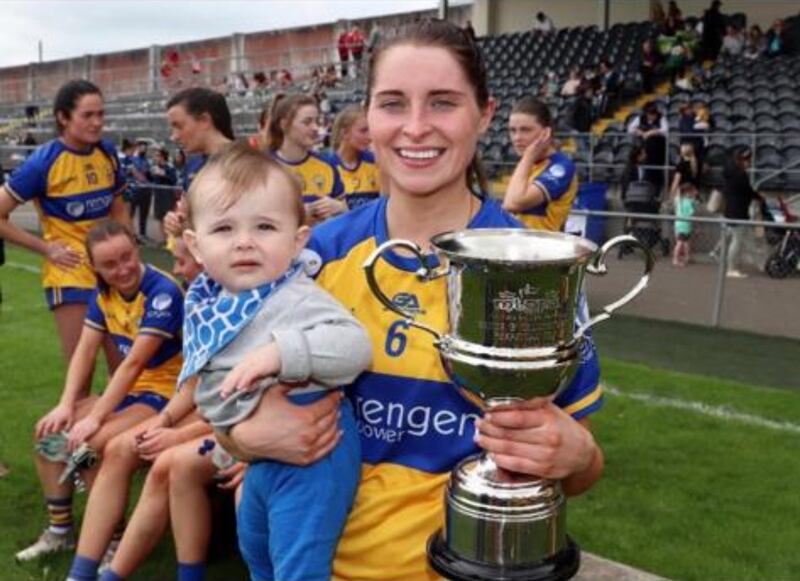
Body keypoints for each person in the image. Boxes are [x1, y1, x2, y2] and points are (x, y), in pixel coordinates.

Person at [231, 19, 605, 580]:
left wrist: (577, 455)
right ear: (368, 116)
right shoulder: (314, 258)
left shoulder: (533, 267)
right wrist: (239, 436)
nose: (415, 127)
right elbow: (232, 402)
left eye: (442, 103)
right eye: (392, 104)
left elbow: (581, 467)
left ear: (484, 114)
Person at [180, 143, 371, 581]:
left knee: (298, 569)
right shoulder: (213, 303)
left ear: (297, 240)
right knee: (258, 555)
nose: (244, 241)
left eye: (265, 226)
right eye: (223, 228)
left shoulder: (294, 296)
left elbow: (355, 347)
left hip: (314, 461)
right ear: (195, 245)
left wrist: (281, 353)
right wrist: (231, 437)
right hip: (261, 460)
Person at [16, 220, 184, 563]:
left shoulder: (162, 291)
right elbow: (85, 350)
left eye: (126, 257)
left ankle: (112, 539)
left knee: (89, 446)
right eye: (109, 264)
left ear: (136, 248)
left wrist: (95, 417)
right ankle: (60, 531)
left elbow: (134, 363)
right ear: (95, 267)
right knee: (48, 433)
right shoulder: (102, 292)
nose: (122, 269)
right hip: (129, 391)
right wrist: (67, 404)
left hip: (166, 394)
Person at [0, 80, 129, 372]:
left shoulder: (107, 153)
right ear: (63, 117)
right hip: (71, 273)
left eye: (101, 114)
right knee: (80, 374)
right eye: (88, 115)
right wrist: (45, 248)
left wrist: (126, 250)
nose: (97, 122)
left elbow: (119, 208)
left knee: (125, 370)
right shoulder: (42, 163)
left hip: (112, 271)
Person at [162, 87, 235, 244]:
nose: (174, 136)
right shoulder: (193, 165)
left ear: (204, 120)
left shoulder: (248, 164)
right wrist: (177, 221)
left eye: (178, 126)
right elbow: (187, 214)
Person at [266, 93, 344, 224]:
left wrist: (339, 208)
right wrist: (298, 214)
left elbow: (345, 212)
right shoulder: (264, 167)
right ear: (284, 125)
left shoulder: (327, 165)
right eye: (307, 122)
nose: (315, 128)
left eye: (317, 121)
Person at [504, 96, 578, 232]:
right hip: (520, 241)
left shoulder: (561, 167)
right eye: (512, 130)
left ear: (546, 133)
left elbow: (512, 203)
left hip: (544, 243)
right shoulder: (529, 164)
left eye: (525, 130)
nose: (517, 138)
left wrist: (527, 157)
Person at [329, 105, 381, 210]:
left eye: (371, 130)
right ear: (345, 133)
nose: (370, 136)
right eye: (363, 130)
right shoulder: (326, 166)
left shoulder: (375, 162)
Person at [722, 146, 762, 278]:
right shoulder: (739, 174)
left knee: (743, 239)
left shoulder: (731, 172)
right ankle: (731, 268)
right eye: (747, 160)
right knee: (737, 241)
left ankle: (760, 264)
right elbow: (747, 191)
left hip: (731, 211)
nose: (749, 163)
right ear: (741, 160)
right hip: (738, 212)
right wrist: (758, 197)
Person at [149, 148, 179, 243]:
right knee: (160, 218)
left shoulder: (170, 167)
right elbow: (150, 178)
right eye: (155, 156)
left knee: (169, 217)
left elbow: (174, 180)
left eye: (157, 155)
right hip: (158, 195)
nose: (155, 158)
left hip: (168, 196)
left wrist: (164, 174)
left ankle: (171, 240)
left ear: (162, 157)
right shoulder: (154, 167)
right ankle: (164, 240)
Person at [129, 141, 152, 243]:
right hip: (135, 190)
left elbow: (148, 173)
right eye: (142, 147)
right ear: (137, 147)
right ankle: (131, 235)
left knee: (144, 214)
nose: (144, 149)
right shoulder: (132, 159)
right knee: (131, 213)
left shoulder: (146, 160)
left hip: (146, 190)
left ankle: (142, 234)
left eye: (145, 148)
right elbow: (133, 173)